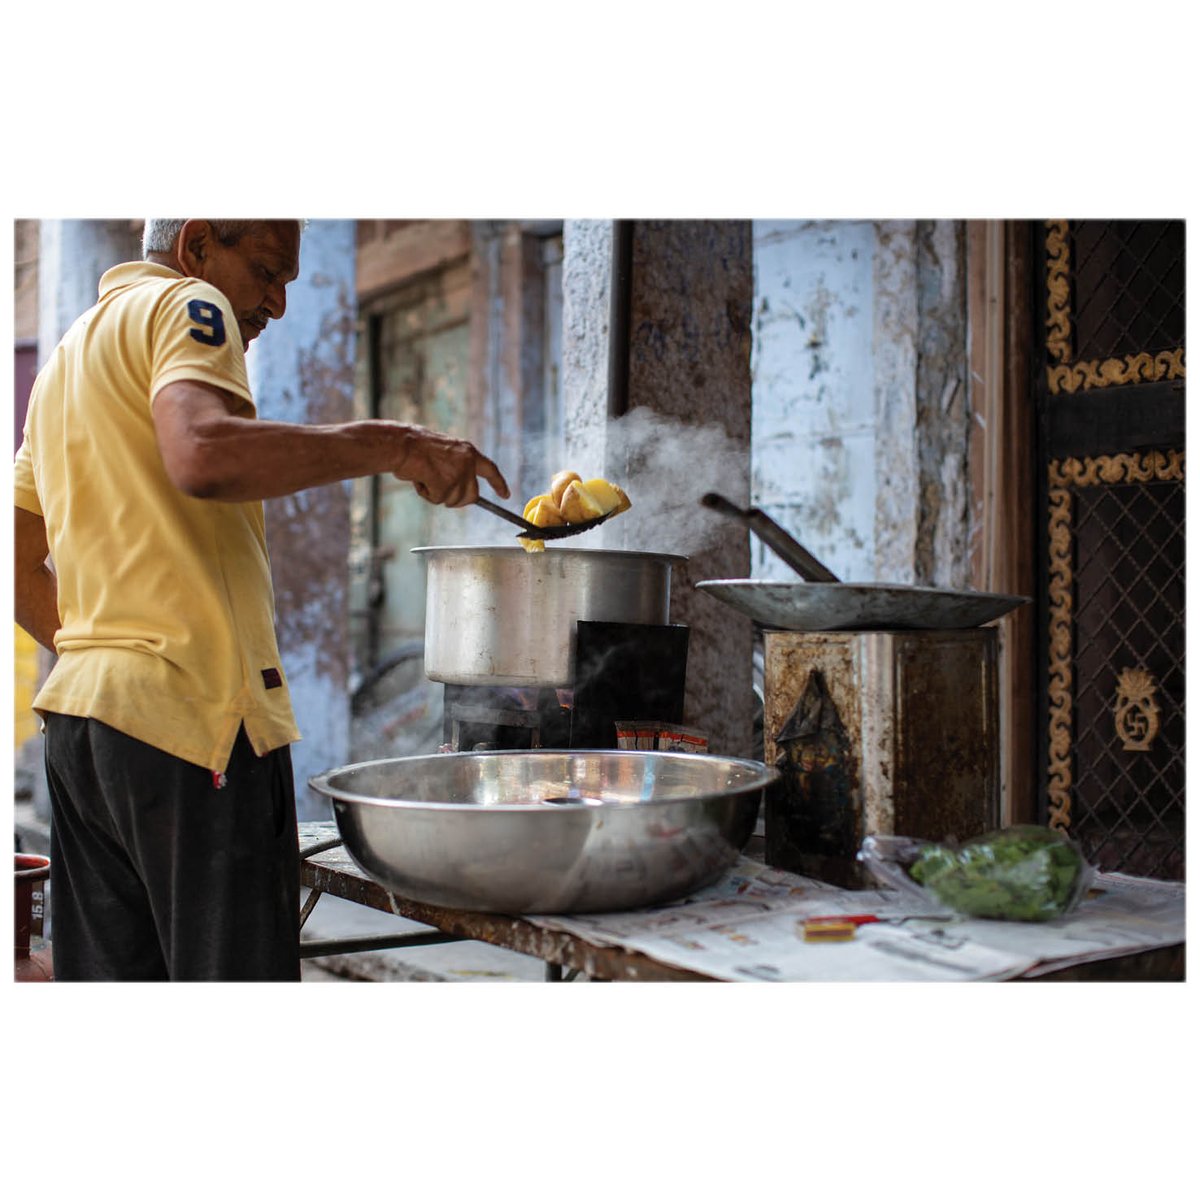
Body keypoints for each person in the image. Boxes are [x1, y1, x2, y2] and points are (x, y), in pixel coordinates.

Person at [12, 218, 509, 981]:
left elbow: (16, 557)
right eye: (268, 271)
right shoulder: (187, 307)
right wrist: (397, 446)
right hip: (194, 726)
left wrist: (105, 655)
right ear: (199, 244)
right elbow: (203, 452)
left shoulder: (68, 359)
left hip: (84, 727)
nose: (276, 304)